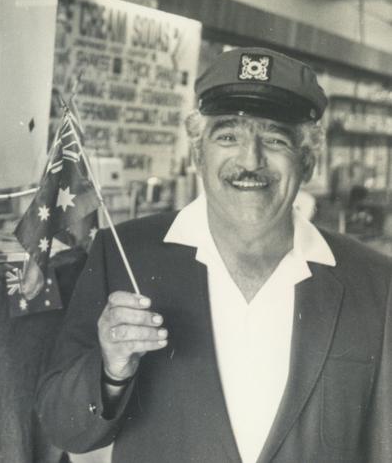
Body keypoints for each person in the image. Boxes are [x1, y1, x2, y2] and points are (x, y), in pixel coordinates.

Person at [36, 47, 392, 462]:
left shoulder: (375, 282)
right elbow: (64, 427)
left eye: (275, 139)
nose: (249, 160)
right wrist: (111, 370)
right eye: (228, 136)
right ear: (198, 154)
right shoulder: (124, 255)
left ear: (308, 162)